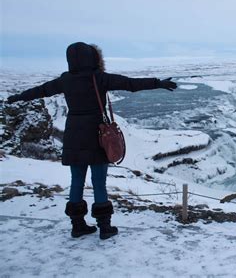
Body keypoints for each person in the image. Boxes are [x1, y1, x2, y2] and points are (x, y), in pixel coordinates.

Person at [6, 42, 177, 239]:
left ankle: (77, 226)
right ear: (93, 58)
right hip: (97, 135)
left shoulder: (65, 80)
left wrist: (17, 97)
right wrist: (159, 83)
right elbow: (130, 84)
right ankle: (105, 227)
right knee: (98, 182)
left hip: (73, 136)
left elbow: (41, 90)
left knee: (77, 181)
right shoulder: (99, 78)